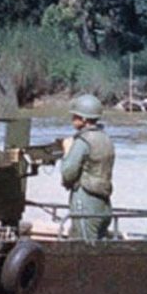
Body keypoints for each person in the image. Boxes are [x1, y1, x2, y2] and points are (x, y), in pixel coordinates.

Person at [60, 94, 115, 240]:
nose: (72, 119)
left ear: (84, 119)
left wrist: (66, 151)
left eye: (75, 116)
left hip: (85, 202)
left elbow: (68, 173)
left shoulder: (83, 141)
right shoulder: (106, 138)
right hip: (104, 204)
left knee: (84, 248)